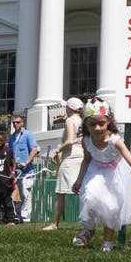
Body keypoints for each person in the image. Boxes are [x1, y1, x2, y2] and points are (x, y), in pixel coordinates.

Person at [70, 98, 131, 252]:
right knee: (89, 195)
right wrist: (79, 180)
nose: (97, 128)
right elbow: (86, 159)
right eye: (92, 124)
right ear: (85, 125)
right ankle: (88, 229)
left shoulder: (115, 141)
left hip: (115, 172)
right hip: (95, 169)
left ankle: (108, 242)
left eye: (101, 123)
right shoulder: (86, 141)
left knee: (111, 206)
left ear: (108, 122)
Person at [44, 97, 85, 231]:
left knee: (61, 192)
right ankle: (87, 223)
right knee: (82, 191)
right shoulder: (83, 121)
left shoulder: (70, 120)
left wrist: (57, 150)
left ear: (70, 108)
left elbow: (70, 140)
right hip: (81, 156)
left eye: (66, 106)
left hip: (71, 157)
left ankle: (54, 224)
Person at [8, 114, 39, 223]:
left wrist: (26, 162)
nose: (15, 124)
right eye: (14, 123)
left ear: (22, 123)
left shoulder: (28, 135)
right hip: (16, 171)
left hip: (27, 170)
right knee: (17, 195)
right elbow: (10, 154)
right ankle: (18, 216)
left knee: (26, 194)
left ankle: (26, 218)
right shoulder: (11, 137)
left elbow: (34, 150)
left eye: (17, 122)